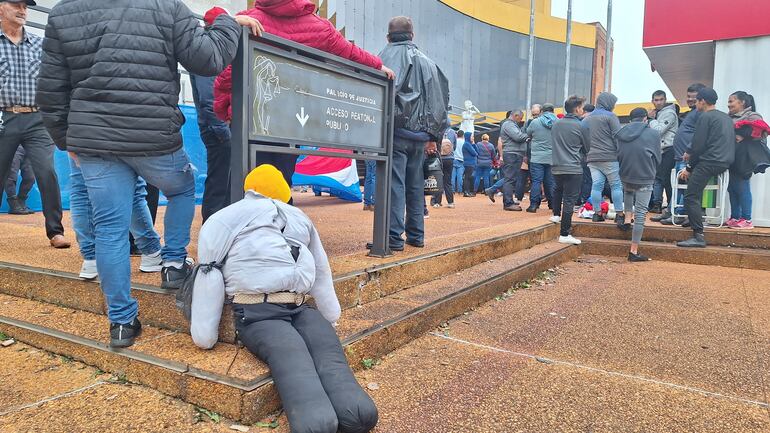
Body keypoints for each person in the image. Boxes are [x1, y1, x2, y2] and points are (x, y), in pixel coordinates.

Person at [37, 0, 262, 348]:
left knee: (109, 230)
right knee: (183, 188)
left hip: (94, 139)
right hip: (154, 136)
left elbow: (51, 91)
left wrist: (68, 142)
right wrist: (230, 23)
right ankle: (173, 262)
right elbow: (208, 58)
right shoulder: (165, 5)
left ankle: (122, 323)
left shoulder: (64, 12)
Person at [191, 164, 378, 433]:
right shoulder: (299, 217)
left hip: (273, 308)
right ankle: (344, 416)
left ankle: (334, 418)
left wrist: (204, 335)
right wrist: (330, 313)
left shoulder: (222, 219)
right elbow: (321, 269)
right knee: (309, 350)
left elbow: (208, 273)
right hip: (277, 307)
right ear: (282, 189)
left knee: (304, 350)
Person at [213, 0, 395, 190]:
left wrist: (224, 110)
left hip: (249, 117)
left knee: (244, 181)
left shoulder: (248, 20)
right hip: (291, 120)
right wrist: (378, 65)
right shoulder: (319, 27)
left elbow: (227, 75)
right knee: (282, 180)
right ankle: (282, 215)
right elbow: (350, 52)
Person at [376, 16, 449, 251]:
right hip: (421, 136)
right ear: (412, 36)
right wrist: (433, 137)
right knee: (415, 185)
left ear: (389, 37)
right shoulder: (429, 63)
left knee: (395, 185)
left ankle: (393, 238)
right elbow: (441, 102)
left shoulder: (385, 56)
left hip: (396, 132)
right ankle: (416, 236)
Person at [0, 0, 69, 247]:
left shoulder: (40, 45)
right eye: (15, 5)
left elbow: (53, 81)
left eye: (25, 7)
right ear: (0, 8)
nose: (22, 10)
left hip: (37, 119)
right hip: (3, 118)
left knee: (46, 172)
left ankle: (55, 232)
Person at [677, 88, 735, 248]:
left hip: (709, 162)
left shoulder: (705, 117)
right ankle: (694, 219)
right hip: (725, 161)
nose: (695, 104)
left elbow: (698, 145)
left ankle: (698, 235)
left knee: (690, 196)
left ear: (702, 101)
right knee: (696, 192)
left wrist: (688, 168)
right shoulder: (726, 118)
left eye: (696, 101)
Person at [656, 83, 706, 225]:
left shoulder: (700, 113)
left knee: (685, 188)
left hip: (687, 157)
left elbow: (700, 134)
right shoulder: (693, 112)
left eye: (693, 97)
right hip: (680, 157)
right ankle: (674, 212)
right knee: (679, 186)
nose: (689, 99)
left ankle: (679, 213)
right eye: (688, 96)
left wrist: (690, 150)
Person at [616, 108, 661, 262]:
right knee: (641, 213)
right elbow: (657, 156)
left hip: (625, 172)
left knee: (628, 192)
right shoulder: (653, 133)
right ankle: (633, 251)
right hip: (645, 174)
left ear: (630, 119)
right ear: (644, 119)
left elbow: (618, 152)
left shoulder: (620, 133)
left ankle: (627, 219)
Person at [551, 96, 588, 245]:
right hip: (573, 167)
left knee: (558, 191)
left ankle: (555, 215)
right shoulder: (581, 126)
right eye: (582, 107)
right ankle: (564, 233)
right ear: (578, 108)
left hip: (556, 166)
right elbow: (587, 147)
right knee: (569, 200)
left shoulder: (556, 124)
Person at [583, 92, 624, 226]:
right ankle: (619, 214)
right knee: (616, 185)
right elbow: (618, 136)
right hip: (610, 157)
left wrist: (589, 150)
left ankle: (597, 213)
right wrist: (620, 153)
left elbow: (582, 136)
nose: (613, 106)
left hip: (593, 158)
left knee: (596, 186)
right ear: (608, 103)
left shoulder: (587, 119)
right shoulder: (611, 117)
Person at [726, 91, 763, 230]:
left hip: (745, 158)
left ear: (742, 102)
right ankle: (735, 217)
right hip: (732, 157)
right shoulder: (728, 117)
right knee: (732, 188)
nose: (728, 104)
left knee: (742, 188)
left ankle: (747, 219)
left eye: (731, 101)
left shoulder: (752, 116)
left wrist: (742, 134)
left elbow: (761, 132)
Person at [648, 90, 679, 214]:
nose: (659, 102)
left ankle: (671, 207)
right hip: (659, 150)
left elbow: (658, 131)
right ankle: (657, 204)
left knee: (666, 179)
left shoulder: (669, 113)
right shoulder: (659, 113)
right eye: (656, 100)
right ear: (652, 101)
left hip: (668, 149)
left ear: (665, 100)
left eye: (661, 99)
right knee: (657, 179)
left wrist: (651, 119)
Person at [525, 103, 557, 212]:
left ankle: (533, 205)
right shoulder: (558, 122)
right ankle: (552, 204)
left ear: (542, 111)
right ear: (553, 111)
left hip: (536, 158)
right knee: (550, 182)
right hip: (552, 157)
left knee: (536, 181)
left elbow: (528, 134)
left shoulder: (535, 122)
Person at [497, 109, 528, 211]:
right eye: (520, 118)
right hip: (512, 154)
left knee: (511, 178)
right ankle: (508, 203)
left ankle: (509, 201)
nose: (520, 120)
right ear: (515, 115)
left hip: (513, 154)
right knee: (510, 179)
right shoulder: (509, 124)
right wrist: (528, 136)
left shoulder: (510, 124)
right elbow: (518, 137)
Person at [3, 147, 34, 214]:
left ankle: (21, 201)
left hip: (29, 148)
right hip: (13, 146)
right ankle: (13, 204)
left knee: (30, 178)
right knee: (11, 176)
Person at [431, 126, 456, 208]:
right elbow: (454, 146)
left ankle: (437, 202)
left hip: (439, 158)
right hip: (450, 159)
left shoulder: (437, 130)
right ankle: (450, 202)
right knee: (448, 181)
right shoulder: (452, 132)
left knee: (438, 180)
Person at [461, 131, 478, 197]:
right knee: (467, 178)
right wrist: (473, 145)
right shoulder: (467, 144)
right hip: (468, 163)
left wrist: (474, 144)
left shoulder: (468, 144)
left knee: (468, 178)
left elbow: (477, 152)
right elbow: (475, 153)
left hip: (470, 163)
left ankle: (467, 191)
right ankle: (466, 192)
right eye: (472, 136)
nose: (473, 138)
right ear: (468, 137)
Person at [452, 129, 465, 193]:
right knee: (460, 177)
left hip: (454, 159)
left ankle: (452, 190)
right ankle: (460, 190)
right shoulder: (464, 142)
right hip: (461, 160)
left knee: (452, 176)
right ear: (463, 135)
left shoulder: (454, 141)